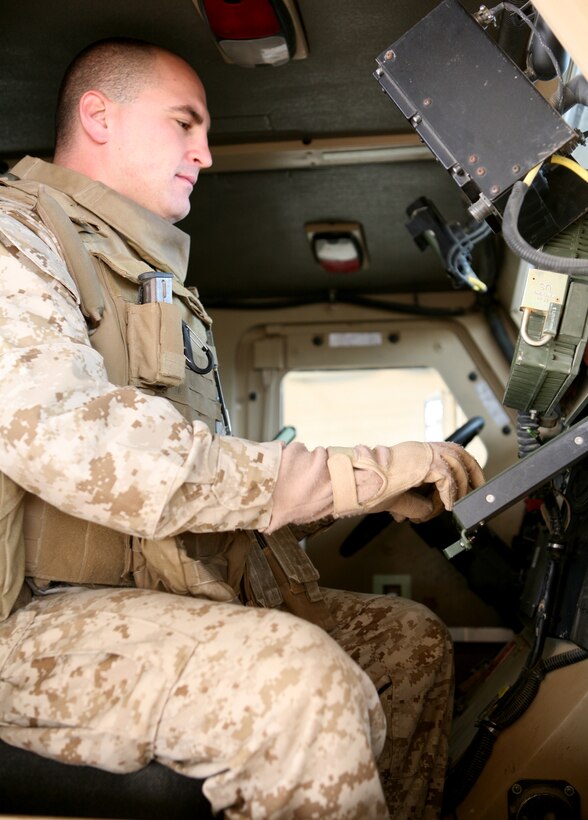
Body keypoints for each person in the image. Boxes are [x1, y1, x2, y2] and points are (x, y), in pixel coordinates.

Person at [0, 38, 484, 819]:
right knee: (298, 684)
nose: (207, 154)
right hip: (25, 623)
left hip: (147, 593)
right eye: (185, 125)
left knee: (409, 645)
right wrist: (349, 470)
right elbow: (78, 441)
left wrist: (365, 493)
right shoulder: (14, 241)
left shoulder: (142, 277)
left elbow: (202, 476)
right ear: (99, 115)